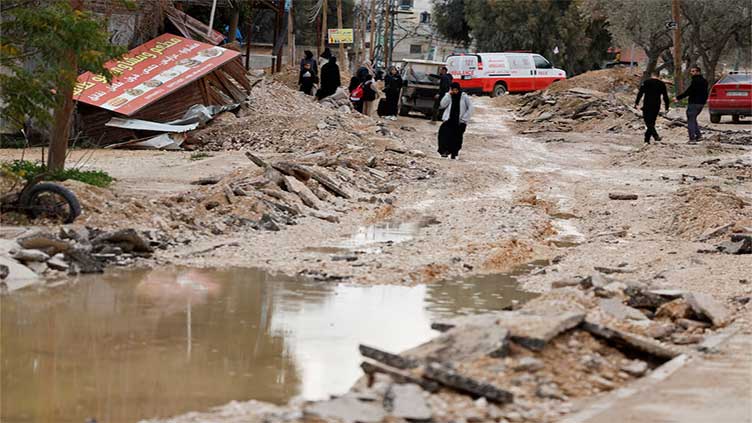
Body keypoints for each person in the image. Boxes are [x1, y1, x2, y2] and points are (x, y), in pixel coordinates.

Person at [438, 82, 473, 159]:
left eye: (456, 90)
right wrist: (448, 94)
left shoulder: (464, 97)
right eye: (453, 90)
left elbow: (470, 108)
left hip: (459, 122)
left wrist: (464, 119)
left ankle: (454, 153)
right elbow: (442, 104)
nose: (455, 92)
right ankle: (444, 151)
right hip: (449, 120)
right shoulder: (449, 96)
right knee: (443, 135)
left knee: (456, 138)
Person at [674, 66, 709, 143]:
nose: (691, 73)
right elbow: (706, 93)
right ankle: (699, 136)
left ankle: (692, 139)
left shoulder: (695, 81)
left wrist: (678, 98)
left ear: (698, 72)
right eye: (691, 71)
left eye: (693, 71)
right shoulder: (705, 81)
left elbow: (689, 91)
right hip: (701, 103)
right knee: (693, 119)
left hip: (694, 103)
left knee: (690, 120)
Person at [634, 71, 669, 144]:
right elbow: (665, 96)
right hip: (656, 105)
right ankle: (647, 139)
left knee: (648, 122)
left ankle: (656, 136)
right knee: (652, 122)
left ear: (652, 75)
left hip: (647, 104)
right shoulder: (661, 84)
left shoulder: (646, 82)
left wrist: (636, 103)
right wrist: (666, 107)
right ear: (659, 76)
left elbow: (640, 93)